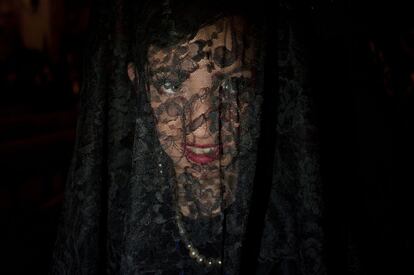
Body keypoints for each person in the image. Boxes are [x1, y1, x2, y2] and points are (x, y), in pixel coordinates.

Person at [50, 1, 325, 274]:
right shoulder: (111, 214)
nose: (203, 129)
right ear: (140, 85)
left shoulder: (299, 217)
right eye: (170, 84)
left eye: (233, 85)